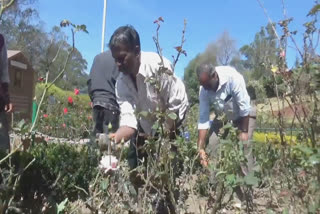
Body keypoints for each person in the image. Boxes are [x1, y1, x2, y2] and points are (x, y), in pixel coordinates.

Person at [108, 25, 189, 166]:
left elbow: (175, 106)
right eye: (115, 59)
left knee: (167, 166)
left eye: (121, 58)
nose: (118, 65)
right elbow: (129, 120)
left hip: (172, 122)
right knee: (135, 165)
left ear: (137, 51)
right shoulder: (121, 83)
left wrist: (162, 139)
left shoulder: (158, 67)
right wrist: (113, 139)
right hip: (146, 126)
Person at [196, 63, 256, 174]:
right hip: (223, 115)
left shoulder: (232, 77)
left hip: (244, 115)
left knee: (244, 146)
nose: (206, 89)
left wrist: (244, 132)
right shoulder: (203, 90)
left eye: (208, 85)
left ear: (214, 76)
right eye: (203, 86)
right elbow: (203, 119)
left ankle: (249, 182)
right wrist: (200, 148)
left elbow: (244, 108)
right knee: (212, 145)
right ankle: (212, 182)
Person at [87, 50, 120, 136]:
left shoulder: (97, 57)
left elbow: (90, 81)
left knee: (97, 137)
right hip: (111, 103)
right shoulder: (118, 59)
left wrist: (93, 98)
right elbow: (120, 82)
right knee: (111, 141)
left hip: (96, 103)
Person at [0, 33, 13, 151]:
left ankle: (5, 166)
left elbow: (3, 69)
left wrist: (7, 97)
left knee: (3, 142)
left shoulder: (0, 39)